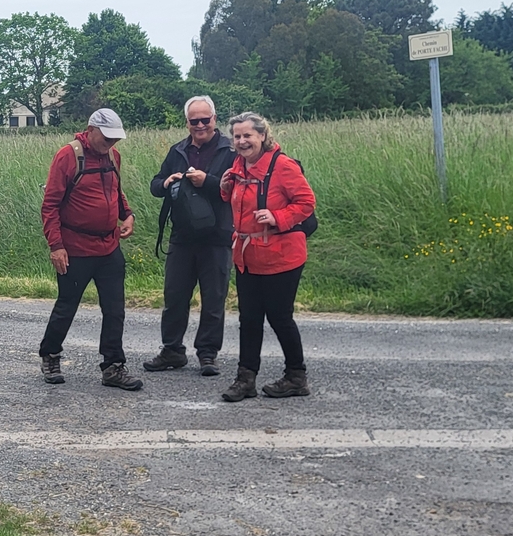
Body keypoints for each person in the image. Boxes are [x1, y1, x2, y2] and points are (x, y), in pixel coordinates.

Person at [38, 108, 141, 390]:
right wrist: (56, 246)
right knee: (67, 306)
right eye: (106, 138)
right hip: (75, 248)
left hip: (109, 246)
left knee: (115, 309)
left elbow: (117, 192)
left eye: (115, 139)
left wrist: (128, 215)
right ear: (91, 130)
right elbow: (50, 206)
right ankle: (50, 354)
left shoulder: (113, 156)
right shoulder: (68, 156)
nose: (111, 143)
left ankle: (113, 367)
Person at [217, 111, 316, 402]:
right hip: (248, 256)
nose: (242, 141)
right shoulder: (238, 166)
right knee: (249, 319)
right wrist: (225, 190)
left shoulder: (283, 166)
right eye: (237, 136)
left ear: (262, 135)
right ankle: (245, 379)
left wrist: (277, 217)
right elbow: (240, 203)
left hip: (282, 255)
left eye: (247, 135)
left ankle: (296, 377)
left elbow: (306, 202)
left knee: (279, 317)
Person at [145, 95, 236, 376]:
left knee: (213, 299)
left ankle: (207, 354)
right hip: (182, 236)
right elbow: (155, 184)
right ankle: (172, 350)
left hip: (217, 235)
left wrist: (207, 182)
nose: (200, 125)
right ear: (187, 122)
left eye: (205, 120)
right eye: (194, 121)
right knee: (174, 297)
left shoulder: (230, 151)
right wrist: (167, 182)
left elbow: (237, 189)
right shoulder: (178, 151)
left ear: (214, 119)